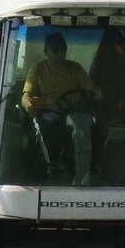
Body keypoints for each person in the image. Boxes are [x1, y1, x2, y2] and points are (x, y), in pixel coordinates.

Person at [22, 32, 101, 185]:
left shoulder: (75, 68)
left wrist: (96, 92)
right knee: (47, 129)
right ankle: (51, 167)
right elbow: (26, 95)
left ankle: (92, 168)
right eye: (56, 51)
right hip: (47, 113)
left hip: (73, 113)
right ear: (46, 51)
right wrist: (29, 104)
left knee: (97, 128)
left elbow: (90, 87)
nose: (60, 55)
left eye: (63, 51)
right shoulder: (37, 69)